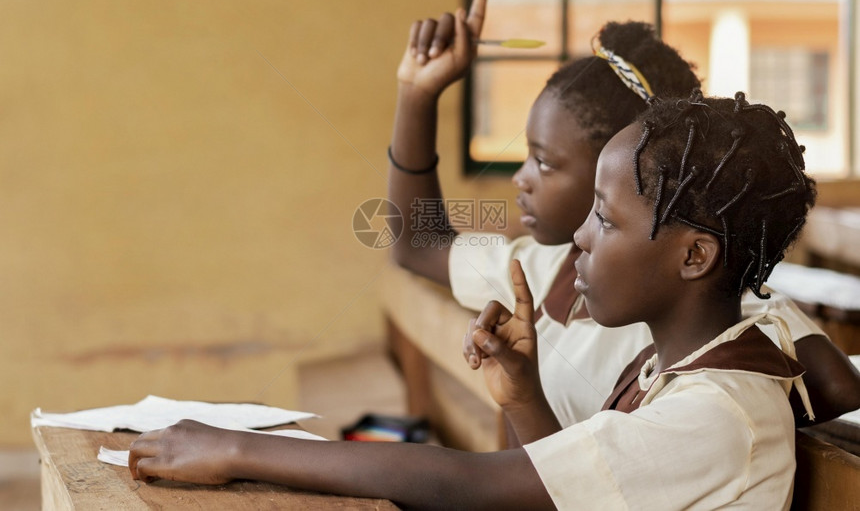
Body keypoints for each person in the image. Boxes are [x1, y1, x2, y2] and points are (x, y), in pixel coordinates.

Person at [129, 91, 815, 509]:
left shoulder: (721, 413)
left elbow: (472, 485)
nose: (580, 233)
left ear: (694, 256)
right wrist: (523, 395)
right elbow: (571, 494)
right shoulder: (668, 370)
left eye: (604, 219)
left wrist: (240, 449)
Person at [390, 0, 860, 429]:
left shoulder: (699, 308)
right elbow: (415, 244)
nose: (521, 177)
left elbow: (839, 388)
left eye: (545, 162)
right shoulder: (535, 271)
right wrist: (417, 93)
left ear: (617, 166)